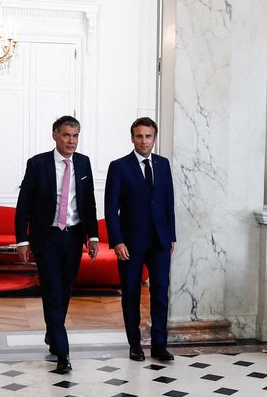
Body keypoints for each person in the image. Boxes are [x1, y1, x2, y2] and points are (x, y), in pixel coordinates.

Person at [15, 115, 99, 374]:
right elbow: (24, 205)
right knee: (52, 290)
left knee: (63, 291)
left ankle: (53, 333)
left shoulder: (83, 163)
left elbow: (89, 202)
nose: (71, 141)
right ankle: (64, 354)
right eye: (66, 135)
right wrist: (22, 240)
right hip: (46, 237)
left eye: (75, 136)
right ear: (55, 135)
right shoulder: (38, 164)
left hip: (73, 237)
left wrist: (93, 236)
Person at [105, 117, 176, 362]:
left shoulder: (164, 164)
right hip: (130, 243)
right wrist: (117, 241)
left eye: (148, 136)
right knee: (131, 293)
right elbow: (110, 208)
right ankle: (134, 344)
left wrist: (172, 236)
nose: (144, 141)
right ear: (132, 138)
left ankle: (159, 344)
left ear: (154, 138)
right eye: (139, 136)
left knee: (160, 293)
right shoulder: (119, 166)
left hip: (160, 241)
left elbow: (169, 203)